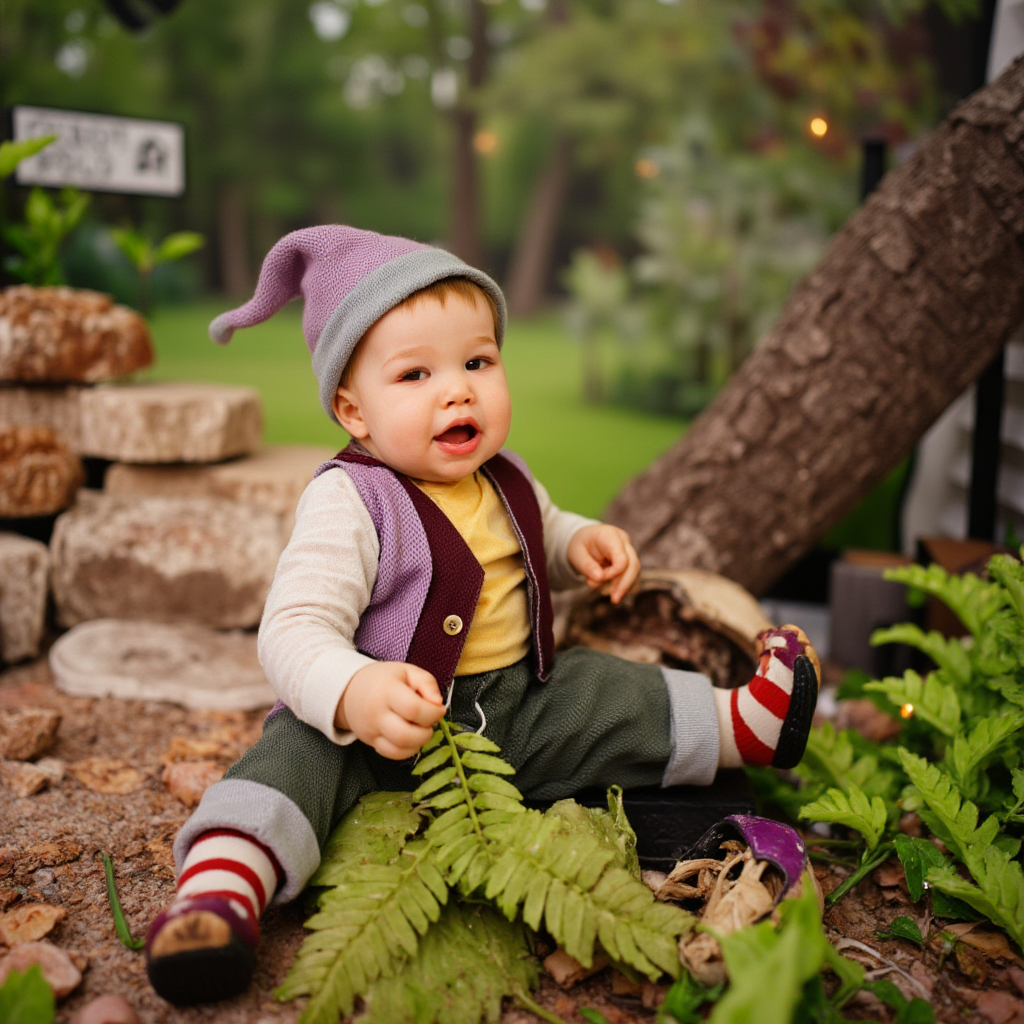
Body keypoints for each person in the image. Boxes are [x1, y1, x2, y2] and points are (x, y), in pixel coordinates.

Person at [144, 225, 819, 1005]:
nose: (458, 389)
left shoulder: (506, 476)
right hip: (376, 731)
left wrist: (583, 544)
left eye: (477, 362)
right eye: (416, 374)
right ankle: (218, 896)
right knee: (289, 762)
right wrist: (354, 691)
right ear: (351, 409)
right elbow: (292, 630)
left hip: (515, 702)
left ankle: (748, 724)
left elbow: (545, 528)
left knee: (608, 694)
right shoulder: (350, 502)